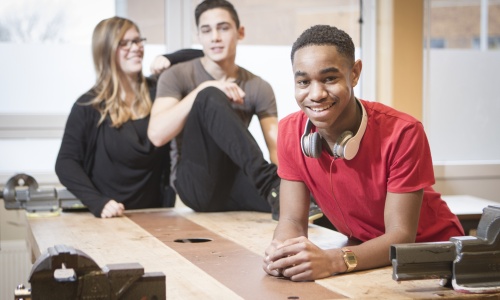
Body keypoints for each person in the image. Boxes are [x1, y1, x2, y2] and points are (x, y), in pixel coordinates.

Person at [263, 25, 464, 281]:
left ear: (355, 73)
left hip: (433, 257)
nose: (315, 94)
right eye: (303, 82)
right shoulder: (290, 132)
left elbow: (401, 236)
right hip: (367, 257)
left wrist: (332, 260)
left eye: (329, 78)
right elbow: (291, 219)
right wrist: (282, 252)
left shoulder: (404, 132)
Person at [148, 0, 324, 220]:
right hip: (196, 184)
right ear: (198, 37)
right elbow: (156, 135)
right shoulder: (177, 75)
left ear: (240, 32)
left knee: (307, 202)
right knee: (207, 97)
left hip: (236, 182)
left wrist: (301, 186)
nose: (215, 37)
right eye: (206, 30)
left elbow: (276, 149)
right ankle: (270, 183)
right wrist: (204, 88)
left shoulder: (258, 86)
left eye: (223, 28)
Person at [55, 17, 202, 218]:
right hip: (110, 218)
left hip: (155, 215)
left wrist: (171, 58)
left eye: (138, 40)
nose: (135, 48)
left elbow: (205, 56)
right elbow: (65, 163)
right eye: (124, 43)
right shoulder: (88, 105)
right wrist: (98, 202)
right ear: (106, 51)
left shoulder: (158, 92)